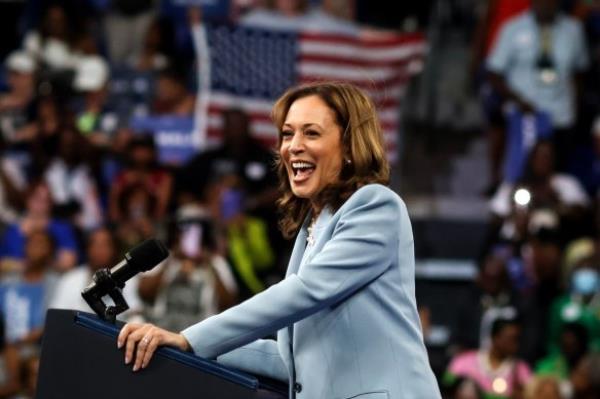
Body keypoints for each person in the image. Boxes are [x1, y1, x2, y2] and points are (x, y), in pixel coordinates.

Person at [117, 82, 440, 398]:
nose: (293, 146)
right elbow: (294, 361)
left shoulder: (375, 206)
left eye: (311, 133)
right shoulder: (311, 228)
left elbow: (305, 291)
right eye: (288, 133)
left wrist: (192, 338)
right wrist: (183, 341)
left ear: (349, 147)